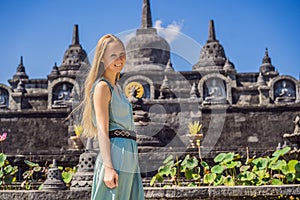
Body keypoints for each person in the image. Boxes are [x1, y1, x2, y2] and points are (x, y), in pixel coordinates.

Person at [80, 34, 144, 200]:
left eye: (122, 54)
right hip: (116, 153)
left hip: (129, 152)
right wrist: (108, 167)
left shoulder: (118, 89)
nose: (119, 59)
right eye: (113, 55)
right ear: (102, 59)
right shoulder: (102, 87)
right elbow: (102, 128)